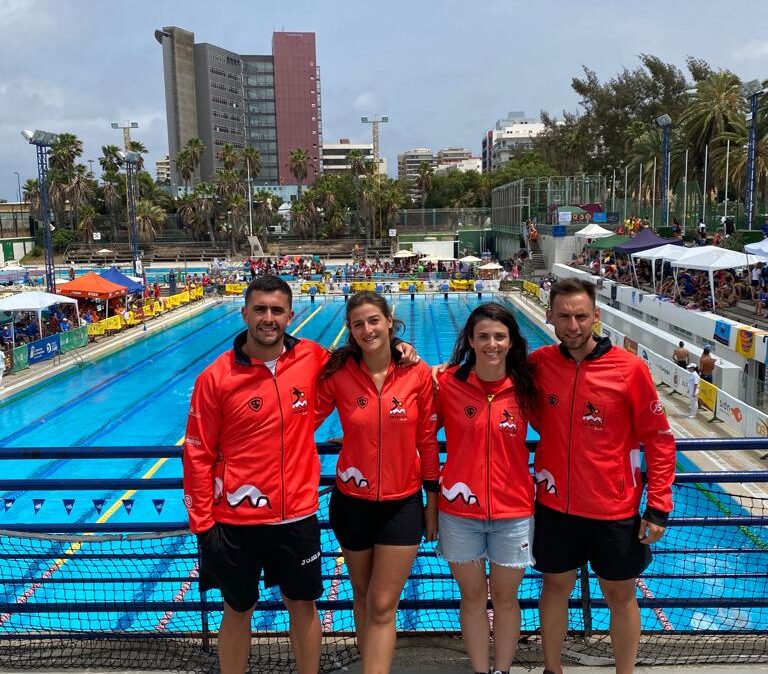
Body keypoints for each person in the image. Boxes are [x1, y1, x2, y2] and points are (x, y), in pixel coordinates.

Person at [183, 276, 418, 674]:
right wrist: (204, 526)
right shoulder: (215, 377)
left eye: (277, 311)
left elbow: (364, 355)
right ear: (244, 313)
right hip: (235, 521)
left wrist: (398, 347)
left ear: (291, 315)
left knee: (303, 605)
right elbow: (197, 453)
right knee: (237, 609)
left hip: (296, 516)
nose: (268, 318)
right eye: (260, 309)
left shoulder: (312, 357)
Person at [529, 278, 676, 674]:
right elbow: (485, 369)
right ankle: (552, 668)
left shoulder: (630, 369)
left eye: (580, 316)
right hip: (555, 504)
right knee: (555, 587)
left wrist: (658, 506)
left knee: (620, 594)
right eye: (564, 316)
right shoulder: (540, 363)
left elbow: (660, 441)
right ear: (550, 316)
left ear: (596, 316)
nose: (572, 325)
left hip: (613, 508)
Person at [315, 291, 439, 674]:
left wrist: (431, 504)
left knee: (383, 602)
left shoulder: (417, 373)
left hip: (402, 504)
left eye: (373, 320)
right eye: (358, 324)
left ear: (389, 321)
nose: (367, 329)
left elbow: (427, 440)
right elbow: (298, 417)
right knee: (363, 597)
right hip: (351, 503)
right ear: (349, 331)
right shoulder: (339, 374)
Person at [435, 303, 537, 674]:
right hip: (459, 514)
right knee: (473, 598)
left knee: (507, 600)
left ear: (511, 341)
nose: (491, 344)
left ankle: (503, 670)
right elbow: (418, 434)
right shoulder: (448, 384)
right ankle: (481, 671)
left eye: (499, 336)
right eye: (483, 337)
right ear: (470, 341)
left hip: (513, 513)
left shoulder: (526, 387)